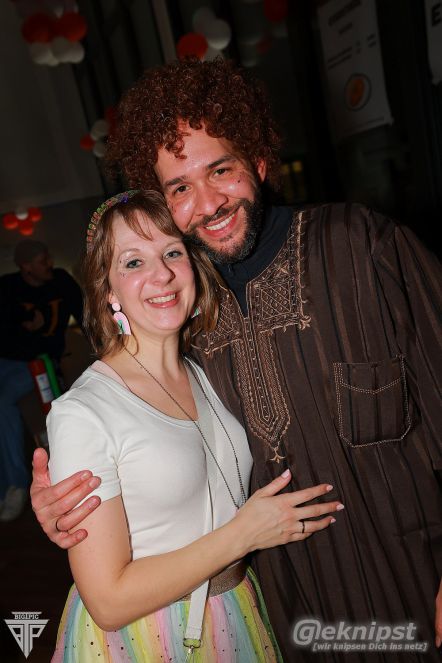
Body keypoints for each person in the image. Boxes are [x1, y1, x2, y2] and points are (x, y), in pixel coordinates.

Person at [31, 59, 442, 661]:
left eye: (221, 170)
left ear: (260, 162)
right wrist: (71, 506)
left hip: (414, 594)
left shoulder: (360, 245)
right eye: (180, 188)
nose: (208, 202)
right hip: (286, 618)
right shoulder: (191, 319)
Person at [47, 189, 342, 662]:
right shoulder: (83, 411)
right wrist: (244, 534)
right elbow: (108, 602)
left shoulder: (208, 370)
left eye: (172, 253)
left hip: (235, 607)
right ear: (107, 290)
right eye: (133, 262)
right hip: (149, 635)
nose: (161, 274)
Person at [0, 239, 83, 522]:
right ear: (26, 267)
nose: (49, 263)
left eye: (48, 257)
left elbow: (84, 316)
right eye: (42, 261)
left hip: (37, 362)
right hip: (7, 360)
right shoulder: (8, 287)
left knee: (3, 403)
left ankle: (15, 486)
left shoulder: (61, 281)